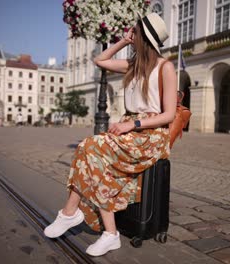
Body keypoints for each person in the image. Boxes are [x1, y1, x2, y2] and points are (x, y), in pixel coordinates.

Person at [44, 12, 177, 256]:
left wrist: (133, 123)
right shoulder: (133, 65)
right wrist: (124, 42)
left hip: (151, 135)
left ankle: (75, 216)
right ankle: (95, 225)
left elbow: (169, 115)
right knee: (88, 148)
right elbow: (100, 60)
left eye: (134, 32)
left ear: (145, 36)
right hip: (131, 130)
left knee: (92, 148)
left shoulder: (165, 68)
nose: (131, 33)